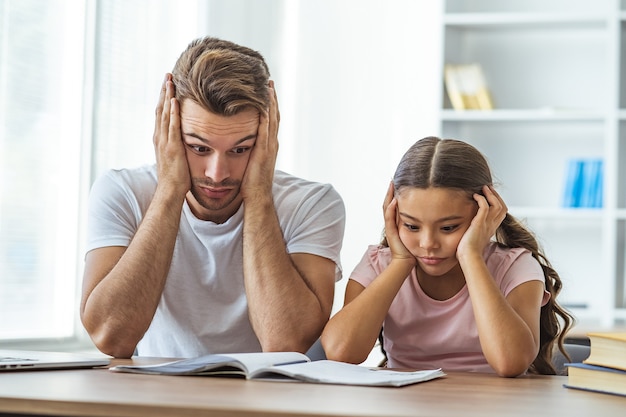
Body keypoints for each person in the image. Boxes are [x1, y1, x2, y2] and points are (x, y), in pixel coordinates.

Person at [80, 37, 346, 359]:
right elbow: (111, 336)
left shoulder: (313, 204)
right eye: (198, 148)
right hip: (162, 401)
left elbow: (284, 343)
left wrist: (259, 196)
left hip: (272, 403)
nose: (217, 173)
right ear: (169, 131)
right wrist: (168, 192)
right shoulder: (123, 193)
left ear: (268, 136)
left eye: (240, 149)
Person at [321, 136, 573, 377]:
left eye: (449, 228)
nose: (428, 244)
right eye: (411, 226)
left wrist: (471, 256)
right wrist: (400, 263)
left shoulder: (515, 267)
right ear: (393, 215)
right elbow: (340, 352)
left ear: (485, 213)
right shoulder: (379, 265)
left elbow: (510, 363)